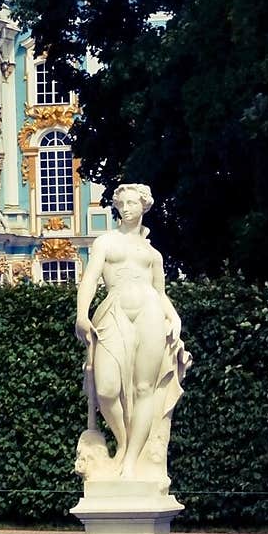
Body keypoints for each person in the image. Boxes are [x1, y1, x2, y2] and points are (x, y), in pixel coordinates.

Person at [75, 184, 191, 485]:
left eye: (131, 203)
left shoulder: (152, 254)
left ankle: (130, 462)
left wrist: (174, 317)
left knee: (143, 389)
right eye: (121, 203)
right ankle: (125, 443)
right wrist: (82, 314)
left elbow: (160, 293)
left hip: (150, 312)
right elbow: (89, 278)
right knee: (107, 389)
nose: (125, 208)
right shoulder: (105, 242)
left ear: (144, 207)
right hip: (113, 311)